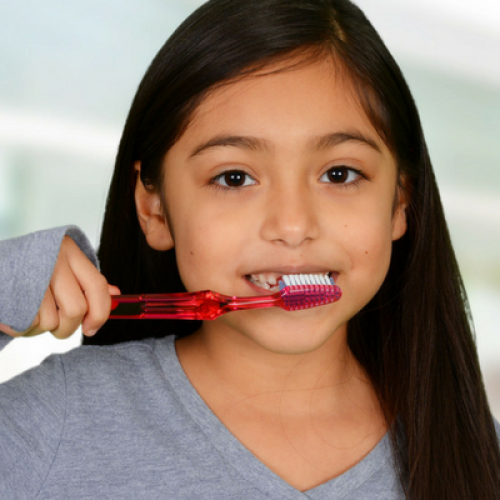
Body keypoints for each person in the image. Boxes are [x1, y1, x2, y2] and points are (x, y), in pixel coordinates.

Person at [0, 0, 499, 498]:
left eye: (340, 174)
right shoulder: (53, 421)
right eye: (234, 177)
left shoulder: (475, 453)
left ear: (399, 203)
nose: (293, 225)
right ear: (155, 210)